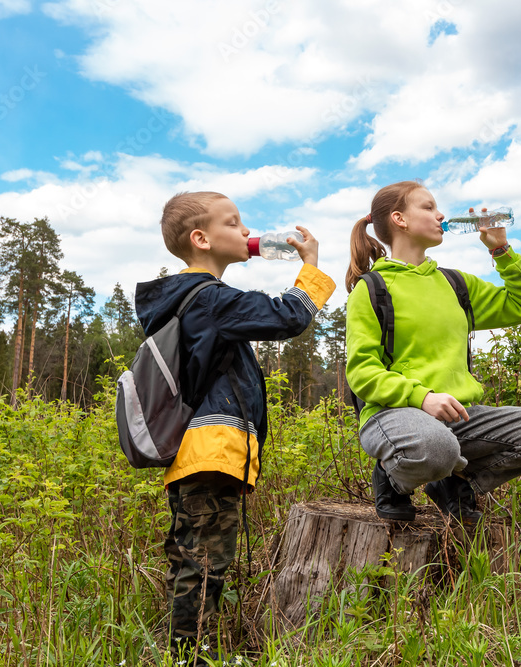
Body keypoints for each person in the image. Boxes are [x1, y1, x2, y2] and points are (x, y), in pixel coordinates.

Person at [134, 191, 335, 663]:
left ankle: (191, 648)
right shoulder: (209, 300)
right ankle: (189, 657)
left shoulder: (191, 301)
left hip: (201, 453)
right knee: (203, 564)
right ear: (201, 239)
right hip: (212, 450)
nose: (247, 233)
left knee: (196, 558)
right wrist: (311, 267)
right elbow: (289, 317)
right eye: (235, 223)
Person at [345, 181, 521, 523]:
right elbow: (362, 373)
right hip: (393, 415)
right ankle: (392, 480)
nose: (440, 215)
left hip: (458, 417)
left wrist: (501, 250)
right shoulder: (371, 289)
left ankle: (454, 482)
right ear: (399, 219)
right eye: (428, 207)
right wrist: (422, 398)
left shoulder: (455, 284)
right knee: (437, 447)